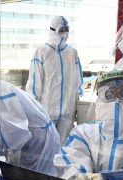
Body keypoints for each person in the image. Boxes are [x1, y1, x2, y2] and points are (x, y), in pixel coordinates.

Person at [26, 15, 83, 145]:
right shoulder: (42, 51)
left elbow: (78, 82)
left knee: (63, 147)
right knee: (46, 147)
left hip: (67, 112)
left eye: (65, 30)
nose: (63, 34)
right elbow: (35, 85)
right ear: (52, 30)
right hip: (47, 111)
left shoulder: (72, 52)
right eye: (61, 30)